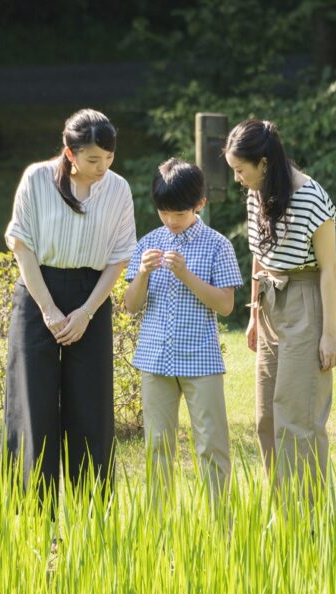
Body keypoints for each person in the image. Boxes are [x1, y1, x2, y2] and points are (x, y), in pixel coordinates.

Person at [4, 108, 136, 514]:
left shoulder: (118, 189)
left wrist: (86, 312)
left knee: (91, 409)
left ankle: (92, 517)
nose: (103, 168)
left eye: (109, 158)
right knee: (34, 407)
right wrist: (47, 309)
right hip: (37, 293)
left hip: (90, 296)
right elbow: (22, 245)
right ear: (70, 153)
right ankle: (32, 519)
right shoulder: (37, 179)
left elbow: (118, 258)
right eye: (94, 159)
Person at [224, 119, 336, 494]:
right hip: (269, 301)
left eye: (240, 170)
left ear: (263, 162)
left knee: (297, 420)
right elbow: (259, 253)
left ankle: (307, 524)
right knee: (267, 419)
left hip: (306, 300)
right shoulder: (257, 192)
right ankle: (281, 518)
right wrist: (254, 316)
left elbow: (329, 269)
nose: (238, 178)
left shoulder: (311, 197)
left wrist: (330, 335)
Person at [124, 158, 243, 498]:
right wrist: (144, 272)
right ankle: (159, 535)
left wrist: (186, 275)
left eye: (179, 213)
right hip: (154, 357)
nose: (171, 221)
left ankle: (222, 531)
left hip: (201, 359)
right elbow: (131, 306)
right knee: (158, 447)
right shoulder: (148, 243)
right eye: (165, 213)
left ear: (199, 205)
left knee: (211, 446)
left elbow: (225, 305)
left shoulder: (218, 245)